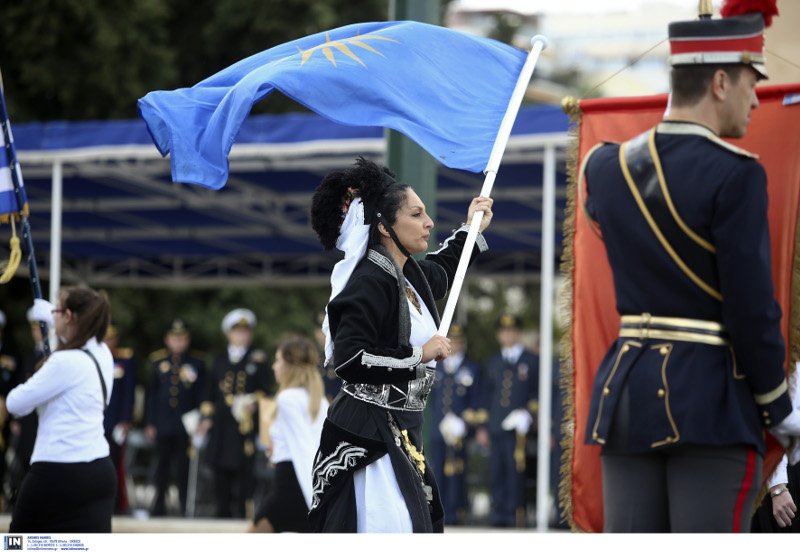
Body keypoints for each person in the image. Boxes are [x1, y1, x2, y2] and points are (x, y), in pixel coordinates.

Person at [580, 5, 800, 532]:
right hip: (711, 401)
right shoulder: (737, 174)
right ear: (721, 81)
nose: (754, 97)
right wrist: (778, 404)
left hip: (627, 393)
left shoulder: (605, 167)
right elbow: (751, 309)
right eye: (751, 81)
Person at [306, 157, 493, 533]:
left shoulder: (405, 274)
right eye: (417, 214)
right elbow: (349, 358)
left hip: (400, 429)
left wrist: (471, 228)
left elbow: (444, 268)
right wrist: (420, 354)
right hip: (368, 435)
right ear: (385, 227)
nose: (429, 222)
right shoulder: (368, 281)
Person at [6, 287, 116, 532]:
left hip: (57, 472)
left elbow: (15, 403)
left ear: (68, 316)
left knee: (17, 545)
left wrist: (41, 371)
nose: (52, 316)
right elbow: (73, 345)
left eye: (56, 311)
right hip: (99, 471)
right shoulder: (103, 352)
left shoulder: (63, 361)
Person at [200, 308, 274, 519]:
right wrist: (206, 418)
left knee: (244, 471)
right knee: (219, 470)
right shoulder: (219, 359)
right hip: (221, 425)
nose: (242, 336)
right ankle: (221, 511)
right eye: (237, 332)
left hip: (244, 425)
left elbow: (265, 391)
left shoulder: (257, 359)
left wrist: (253, 404)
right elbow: (209, 393)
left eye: (245, 332)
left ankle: (242, 512)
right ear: (229, 334)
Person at [250, 335, 329, 533]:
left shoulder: (287, 399)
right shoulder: (319, 401)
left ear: (288, 365)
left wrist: (314, 497)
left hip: (291, 485)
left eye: (278, 360)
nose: (274, 366)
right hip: (301, 485)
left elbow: (305, 449)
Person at [475, 313, 539, 527]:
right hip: (495, 427)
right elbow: (486, 396)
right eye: (504, 331)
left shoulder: (532, 361)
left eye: (512, 331)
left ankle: (515, 514)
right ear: (499, 335)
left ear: (518, 333)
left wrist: (528, 414)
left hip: (518, 430)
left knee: (515, 472)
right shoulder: (493, 362)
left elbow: (537, 393)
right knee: (496, 472)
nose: (508, 335)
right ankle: (499, 514)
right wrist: (482, 427)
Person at [145, 318, 206, 517]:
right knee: (161, 465)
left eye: (182, 339)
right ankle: (158, 505)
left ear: (187, 340)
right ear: (167, 340)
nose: (178, 343)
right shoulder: (158, 361)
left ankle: (183, 506)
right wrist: (150, 422)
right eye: (174, 338)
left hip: (185, 424)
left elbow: (201, 395)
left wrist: (200, 420)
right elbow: (151, 395)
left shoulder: (196, 363)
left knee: (183, 466)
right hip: (162, 422)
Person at [428, 322, 482, 526]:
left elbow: (476, 400)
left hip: (460, 429)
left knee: (459, 470)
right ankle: (440, 511)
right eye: (453, 341)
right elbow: (431, 399)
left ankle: (457, 510)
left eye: (459, 341)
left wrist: (467, 422)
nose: (456, 345)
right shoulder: (437, 365)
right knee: (437, 470)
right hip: (439, 429)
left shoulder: (472, 367)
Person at [7, 304, 49, 508]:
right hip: (28, 417)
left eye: (39, 328)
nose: (36, 333)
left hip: (44, 417)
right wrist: (16, 418)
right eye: (33, 329)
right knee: (24, 458)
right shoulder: (29, 355)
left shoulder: (52, 356)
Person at [101, 323, 136, 515]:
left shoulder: (124, 361)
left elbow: (128, 394)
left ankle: (115, 504)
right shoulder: (93, 359)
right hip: (96, 422)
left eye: (111, 339)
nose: (108, 343)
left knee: (115, 464)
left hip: (115, 423)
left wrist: (125, 420)